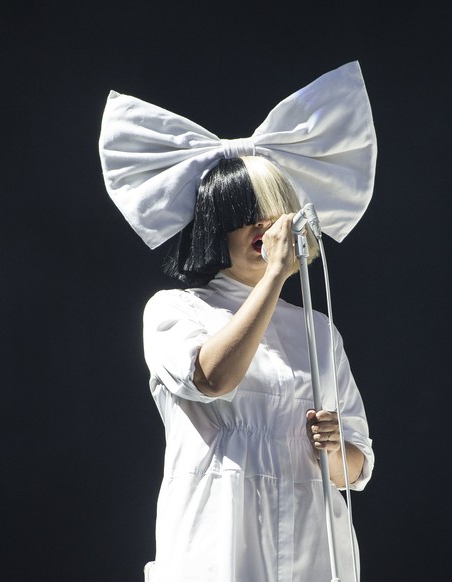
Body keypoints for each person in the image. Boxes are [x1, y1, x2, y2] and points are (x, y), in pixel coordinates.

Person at [98, 62, 377, 582]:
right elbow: (211, 378)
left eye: (273, 210)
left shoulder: (318, 330)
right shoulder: (175, 310)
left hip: (313, 543)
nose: (263, 225)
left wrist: (339, 451)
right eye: (246, 212)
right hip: (218, 542)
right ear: (214, 227)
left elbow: (356, 469)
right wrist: (275, 273)